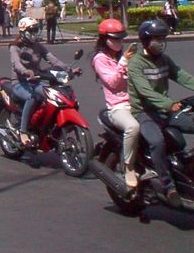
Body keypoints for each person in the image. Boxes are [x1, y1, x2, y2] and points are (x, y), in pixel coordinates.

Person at [127, 18, 194, 207]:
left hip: (165, 111)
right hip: (144, 113)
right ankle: (169, 186)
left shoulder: (164, 60)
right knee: (157, 142)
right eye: (156, 38)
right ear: (145, 41)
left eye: (162, 38)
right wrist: (168, 104)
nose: (161, 42)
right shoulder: (135, 63)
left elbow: (183, 76)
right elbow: (144, 91)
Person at [9, 17, 77, 147]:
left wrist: (70, 69)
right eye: (32, 30)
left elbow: (53, 60)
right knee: (32, 98)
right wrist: (26, 71)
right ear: (23, 31)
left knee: (53, 95)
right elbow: (16, 64)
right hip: (19, 82)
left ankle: (46, 126)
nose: (34, 33)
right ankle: (23, 131)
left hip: (36, 81)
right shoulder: (15, 47)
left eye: (36, 30)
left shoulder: (38, 46)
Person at [92, 19, 140, 190]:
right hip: (118, 107)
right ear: (105, 39)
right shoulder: (100, 59)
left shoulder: (122, 56)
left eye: (121, 39)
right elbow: (112, 82)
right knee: (133, 127)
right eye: (115, 39)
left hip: (137, 102)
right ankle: (129, 167)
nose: (119, 42)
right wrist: (124, 63)